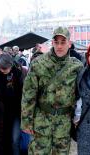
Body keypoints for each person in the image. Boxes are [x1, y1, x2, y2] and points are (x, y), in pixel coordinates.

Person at [21, 26, 83, 154]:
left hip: (64, 123)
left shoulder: (77, 66)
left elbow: (80, 94)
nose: (59, 46)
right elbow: (28, 94)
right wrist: (27, 122)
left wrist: (78, 117)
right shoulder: (38, 63)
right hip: (41, 121)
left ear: (69, 44)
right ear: (52, 43)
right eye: (56, 42)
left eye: (63, 42)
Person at [0, 53, 27, 155]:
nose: (3, 71)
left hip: (20, 110)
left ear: (11, 65)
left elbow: (29, 93)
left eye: (5, 68)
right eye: (1, 68)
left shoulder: (21, 71)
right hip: (2, 111)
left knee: (15, 139)